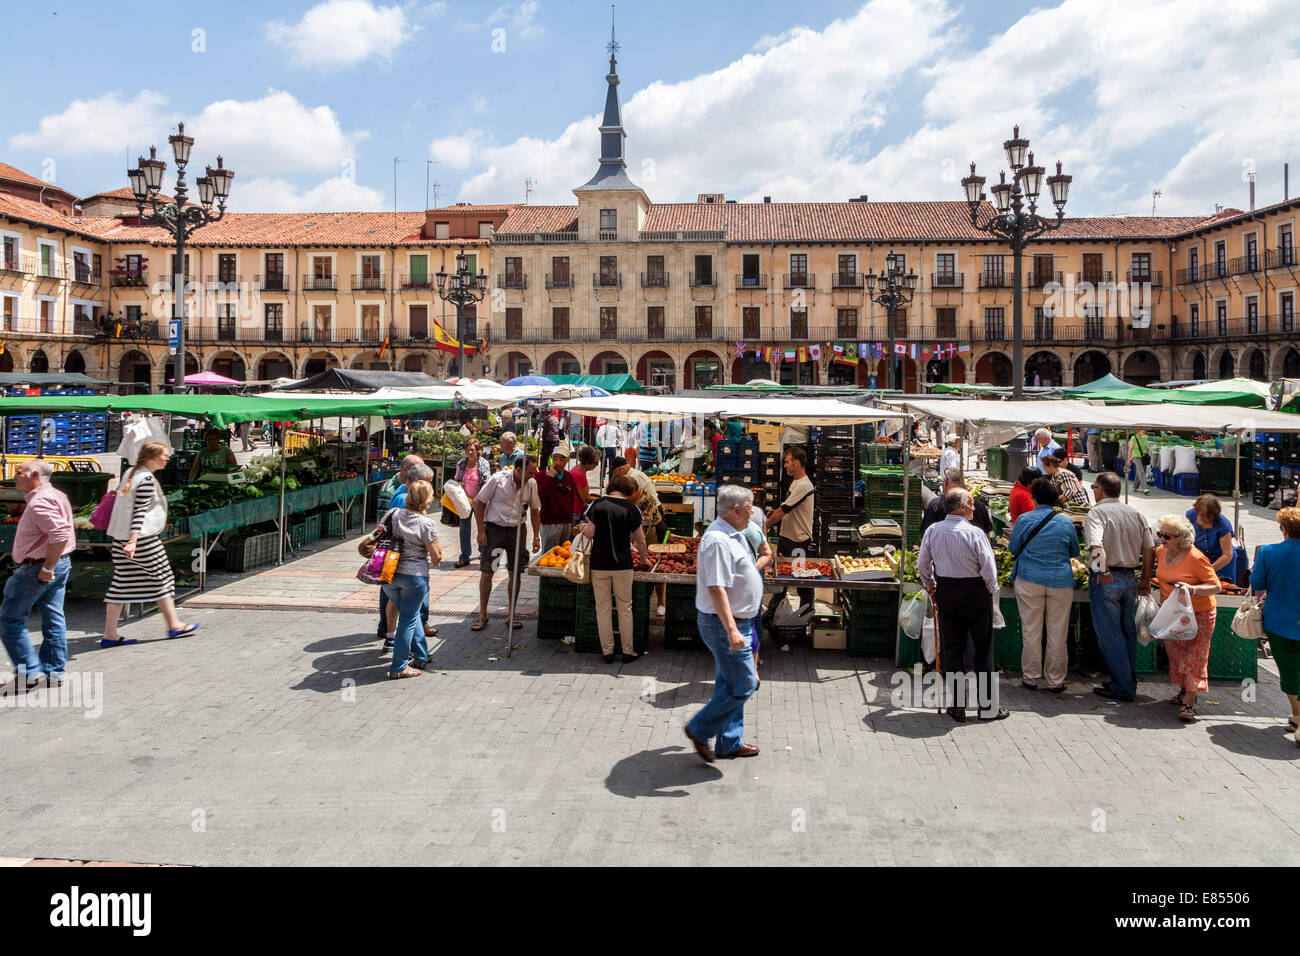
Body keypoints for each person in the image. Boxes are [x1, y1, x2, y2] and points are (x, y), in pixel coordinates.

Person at [684, 484, 763, 762]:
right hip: (723, 625)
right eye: (750, 506)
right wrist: (731, 630)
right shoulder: (717, 540)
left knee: (728, 683)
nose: (753, 511)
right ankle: (699, 728)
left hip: (738, 622)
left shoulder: (735, 533)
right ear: (736, 510)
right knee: (744, 684)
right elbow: (716, 587)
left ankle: (729, 741)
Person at [918, 489, 1008, 722]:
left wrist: (929, 584)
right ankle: (987, 706)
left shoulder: (933, 531)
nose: (974, 507)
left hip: (947, 591)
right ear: (961, 507)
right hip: (975, 592)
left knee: (953, 648)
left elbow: (923, 563)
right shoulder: (975, 533)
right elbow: (989, 568)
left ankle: (957, 706)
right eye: (970, 503)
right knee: (982, 649)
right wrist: (991, 589)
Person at [102, 441, 200, 646]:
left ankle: (109, 633)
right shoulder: (146, 479)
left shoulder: (132, 472)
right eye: (164, 455)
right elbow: (138, 513)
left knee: (121, 583)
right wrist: (133, 541)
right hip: (141, 540)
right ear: (152, 457)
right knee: (163, 577)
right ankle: (174, 625)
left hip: (120, 538)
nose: (167, 458)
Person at [0, 459, 74, 688]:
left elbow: (60, 533)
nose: (15, 476)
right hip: (58, 563)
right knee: (53, 618)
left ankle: (29, 672)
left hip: (38, 568)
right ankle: (53, 672)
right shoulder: (56, 495)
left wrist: (46, 568)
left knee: (10, 620)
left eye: (19, 472)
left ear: (34, 474)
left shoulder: (40, 501)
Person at [1084, 472, 1156, 702]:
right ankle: (1126, 681)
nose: (1093, 491)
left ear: (1100, 490)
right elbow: (1150, 548)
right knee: (1127, 633)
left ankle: (1123, 686)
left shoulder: (1097, 512)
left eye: (1094, 487)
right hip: (1129, 579)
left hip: (1109, 578)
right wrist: (1144, 577)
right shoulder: (1134, 512)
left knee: (1111, 635)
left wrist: (1103, 573)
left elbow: (1096, 545)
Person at [1009, 479, 1078, 692]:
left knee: (1031, 630)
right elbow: (1074, 551)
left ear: (1034, 498)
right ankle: (1056, 680)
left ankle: (1030, 677)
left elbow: (1013, 548)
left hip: (1030, 579)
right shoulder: (1066, 522)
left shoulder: (1025, 520)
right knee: (1058, 632)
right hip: (1060, 581)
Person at [1154, 513, 1222, 722]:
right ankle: (1184, 689)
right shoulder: (1160, 551)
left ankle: (1190, 701)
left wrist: (1191, 589)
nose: (1162, 539)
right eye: (1161, 534)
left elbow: (1216, 586)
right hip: (1172, 612)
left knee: (1195, 656)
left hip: (1199, 613)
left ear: (1182, 538)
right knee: (1175, 652)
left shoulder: (1196, 558)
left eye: (1167, 536)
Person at [372, 480, 443, 680]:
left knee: (407, 613)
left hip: (389, 574)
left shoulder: (392, 513)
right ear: (427, 500)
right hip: (414, 577)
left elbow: (377, 535)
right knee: (408, 618)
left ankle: (420, 656)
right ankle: (399, 666)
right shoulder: (426, 523)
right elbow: (437, 557)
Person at [581, 473, 651, 663]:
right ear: (627, 490)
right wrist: (644, 559)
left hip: (599, 564)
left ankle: (608, 652)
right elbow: (640, 539)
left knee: (602, 608)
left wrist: (583, 529)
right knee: (625, 607)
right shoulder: (632, 508)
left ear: (611, 487)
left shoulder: (597, 505)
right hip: (623, 565)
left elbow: (589, 533)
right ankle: (628, 651)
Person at [471, 454, 541, 632]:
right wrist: (481, 531)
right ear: (518, 470)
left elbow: (534, 510)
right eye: (531, 472)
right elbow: (478, 503)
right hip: (495, 531)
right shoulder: (498, 480)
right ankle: (483, 614)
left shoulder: (531, 484)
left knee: (515, 572)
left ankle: (512, 612)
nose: (534, 475)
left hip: (517, 532)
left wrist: (536, 536)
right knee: (488, 571)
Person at [1250, 507, 1300, 734]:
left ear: (1283, 529)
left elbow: (1257, 583)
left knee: (1289, 670)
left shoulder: (1269, 552)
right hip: (1285, 621)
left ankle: (1298, 715)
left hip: (1280, 622)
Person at [764, 446, 815, 617]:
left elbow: (784, 510)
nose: (784, 465)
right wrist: (775, 512)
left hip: (798, 541)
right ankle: (772, 612)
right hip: (788, 538)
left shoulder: (804, 485)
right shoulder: (796, 482)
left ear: (797, 463)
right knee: (781, 579)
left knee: (802, 583)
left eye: (787, 462)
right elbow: (787, 507)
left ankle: (806, 616)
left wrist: (765, 525)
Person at [920, 468, 992, 538]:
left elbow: (926, 537)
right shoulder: (980, 506)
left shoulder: (935, 505)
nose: (973, 508)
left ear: (945, 482)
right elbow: (987, 536)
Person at [452, 439, 491, 568]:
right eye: (468, 449)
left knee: (482, 526)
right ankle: (464, 556)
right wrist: (459, 486)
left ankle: (482, 550)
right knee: (464, 528)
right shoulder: (461, 463)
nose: (470, 452)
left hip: (479, 500)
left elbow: (486, 481)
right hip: (464, 500)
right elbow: (457, 479)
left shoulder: (483, 464)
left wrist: (479, 498)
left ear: (478, 451)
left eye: (473, 449)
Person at [1187, 493, 1236, 583]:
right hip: (1200, 558)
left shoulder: (1223, 524)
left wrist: (1208, 570)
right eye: (1202, 516)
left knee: (1222, 587)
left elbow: (1227, 555)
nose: (1205, 519)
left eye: (1209, 517)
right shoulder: (1190, 515)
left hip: (1221, 560)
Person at [536, 447, 577, 553]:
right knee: (549, 554)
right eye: (555, 458)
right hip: (550, 522)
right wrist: (549, 478)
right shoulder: (541, 475)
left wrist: (571, 520)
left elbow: (571, 499)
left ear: (568, 460)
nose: (558, 462)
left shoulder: (569, 476)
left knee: (564, 553)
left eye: (562, 459)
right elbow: (539, 499)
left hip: (566, 522)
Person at [570, 445, 599, 519]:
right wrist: (602, 499)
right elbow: (586, 499)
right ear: (589, 462)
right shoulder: (579, 475)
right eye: (596, 463)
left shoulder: (577, 470)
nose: (596, 466)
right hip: (575, 511)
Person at [596, 419, 621, 485]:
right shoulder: (615, 428)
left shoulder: (601, 428)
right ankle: (610, 481)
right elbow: (619, 436)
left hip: (603, 447)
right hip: (611, 447)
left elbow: (598, 438)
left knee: (603, 466)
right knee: (612, 466)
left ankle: (602, 481)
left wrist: (599, 445)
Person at [1127, 428, 1151, 495]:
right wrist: (1129, 459)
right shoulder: (1134, 438)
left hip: (1143, 456)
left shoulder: (1146, 437)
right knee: (1141, 471)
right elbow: (1130, 449)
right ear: (1138, 432)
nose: (1144, 433)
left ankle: (1135, 487)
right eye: (1143, 432)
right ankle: (1145, 488)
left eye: (1144, 432)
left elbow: (1146, 447)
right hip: (1136, 456)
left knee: (1139, 472)